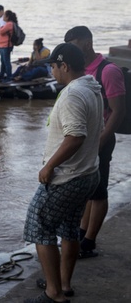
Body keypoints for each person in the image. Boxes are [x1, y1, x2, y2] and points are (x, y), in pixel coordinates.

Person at [22, 43, 103, 303]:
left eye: (53, 67)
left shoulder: (72, 94)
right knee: (69, 229)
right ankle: (63, 285)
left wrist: (49, 166)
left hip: (68, 176)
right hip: (88, 173)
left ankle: (53, 293)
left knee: (39, 223)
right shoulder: (92, 87)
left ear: (64, 66)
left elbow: (75, 136)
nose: (52, 72)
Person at [64, 26, 127, 259]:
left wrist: (101, 141)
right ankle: (82, 233)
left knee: (98, 192)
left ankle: (88, 242)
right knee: (86, 191)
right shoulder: (80, 70)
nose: (72, 49)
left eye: (74, 44)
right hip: (82, 140)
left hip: (100, 139)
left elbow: (118, 111)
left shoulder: (107, 71)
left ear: (88, 43)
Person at [0, 10, 17, 82]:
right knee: (3, 61)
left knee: (6, 61)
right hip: (2, 45)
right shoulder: (7, 24)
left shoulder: (9, 24)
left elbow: (1, 31)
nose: (3, 17)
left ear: (7, 17)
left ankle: (9, 77)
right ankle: (2, 74)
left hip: (6, 45)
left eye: (4, 16)